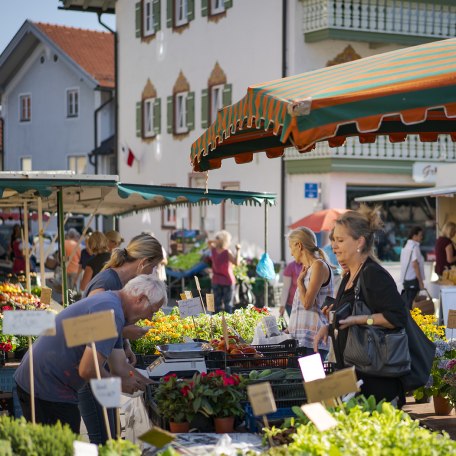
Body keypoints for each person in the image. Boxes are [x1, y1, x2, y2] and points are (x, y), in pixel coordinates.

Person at [14, 275, 167, 434]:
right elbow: (87, 369)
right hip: (46, 385)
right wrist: (118, 385)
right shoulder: (111, 312)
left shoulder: (112, 305)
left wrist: (154, 386)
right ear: (140, 299)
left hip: (43, 380)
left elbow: (120, 366)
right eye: (152, 311)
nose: (150, 317)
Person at [314, 205, 408, 408]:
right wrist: (329, 327)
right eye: (333, 240)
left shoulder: (373, 274)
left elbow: (398, 317)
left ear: (360, 242)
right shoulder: (349, 275)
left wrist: (360, 320)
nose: (334, 246)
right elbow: (348, 315)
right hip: (352, 377)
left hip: (376, 383)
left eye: (340, 240)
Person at [79, 232, 164, 444]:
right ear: (144, 263)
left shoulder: (115, 281)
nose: (153, 273)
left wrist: (123, 344)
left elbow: (108, 326)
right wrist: (124, 332)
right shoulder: (107, 282)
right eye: (154, 267)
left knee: (112, 435)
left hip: (101, 367)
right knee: (105, 438)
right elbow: (89, 328)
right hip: (93, 371)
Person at [287, 227, 333, 359]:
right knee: (305, 380)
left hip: (313, 341)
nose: (291, 253)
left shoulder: (318, 266)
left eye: (291, 247)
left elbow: (307, 303)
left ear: (299, 245)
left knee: (313, 380)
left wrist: (300, 283)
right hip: (303, 341)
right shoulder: (310, 268)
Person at [208, 230, 241, 313]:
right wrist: (238, 250)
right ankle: (222, 323)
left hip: (221, 280)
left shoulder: (217, 250)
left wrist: (238, 251)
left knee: (221, 305)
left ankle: (219, 323)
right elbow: (236, 263)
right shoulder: (221, 251)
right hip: (224, 280)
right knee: (223, 305)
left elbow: (209, 242)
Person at [400, 226, 425, 309]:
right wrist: (421, 282)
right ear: (414, 236)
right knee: (413, 306)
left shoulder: (405, 246)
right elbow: (415, 265)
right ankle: (411, 321)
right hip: (413, 280)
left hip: (406, 280)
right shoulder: (414, 247)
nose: (422, 237)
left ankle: (407, 321)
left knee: (408, 304)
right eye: (420, 235)